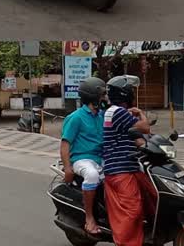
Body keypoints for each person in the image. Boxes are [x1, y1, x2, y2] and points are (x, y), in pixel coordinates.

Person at [102, 75, 153, 246]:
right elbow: (145, 127)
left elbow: (136, 137)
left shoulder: (115, 112)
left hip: (129, 168)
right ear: (125, 94)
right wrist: (141, 114)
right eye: (131, 90)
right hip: (120, 170)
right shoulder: (117, 112)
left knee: (151, 197)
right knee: (131, 210)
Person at [60, 78, 107, 236]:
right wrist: (67, 168)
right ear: (93, 98)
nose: (105, 98)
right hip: (82, 159)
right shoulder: (76, 117)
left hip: (101, 158)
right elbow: (65, 144)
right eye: (102, 95)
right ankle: (89, 217)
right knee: (92, 175)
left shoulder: (101, 116)